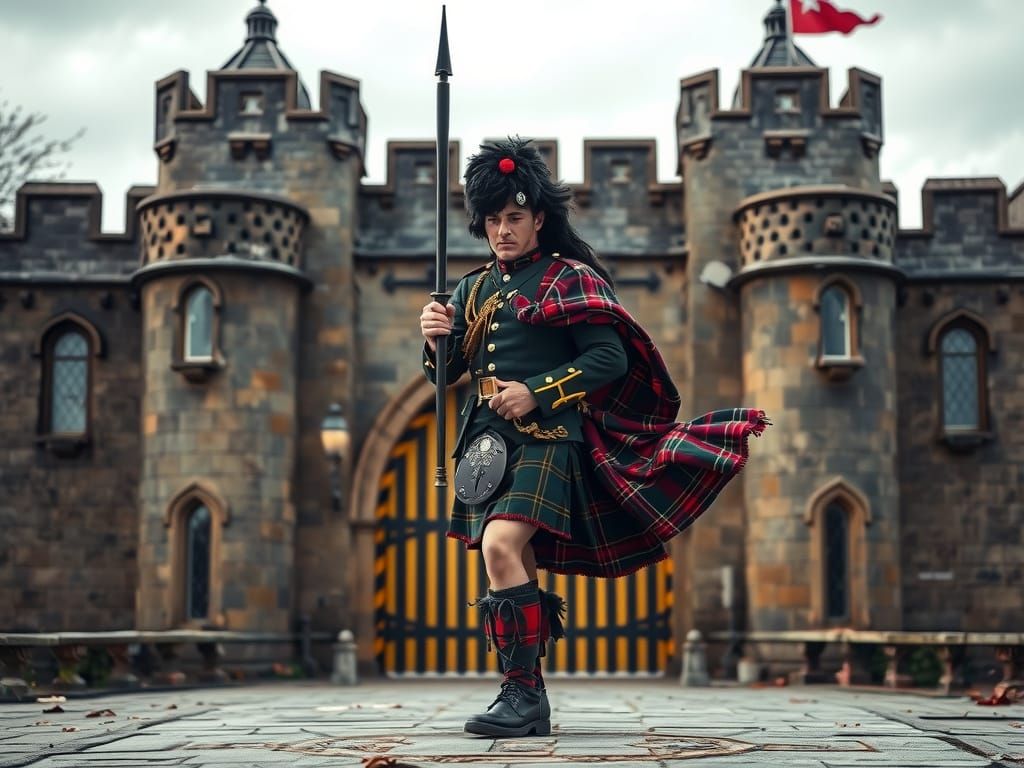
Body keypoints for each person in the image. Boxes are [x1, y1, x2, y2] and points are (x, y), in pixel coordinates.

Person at [420, 137, 768, 738]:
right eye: (493, 220)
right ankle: (527, 699)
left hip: (548, 436)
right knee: (514, 558)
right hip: (485, 444)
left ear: (538, 219)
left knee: (500, 547)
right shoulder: (471, 289)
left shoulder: (567, 277)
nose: (502, 230)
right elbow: (445, 375)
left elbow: (609, 358)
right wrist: (434, 341)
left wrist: (539, 391)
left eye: (514, 218)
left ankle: (521, 693)